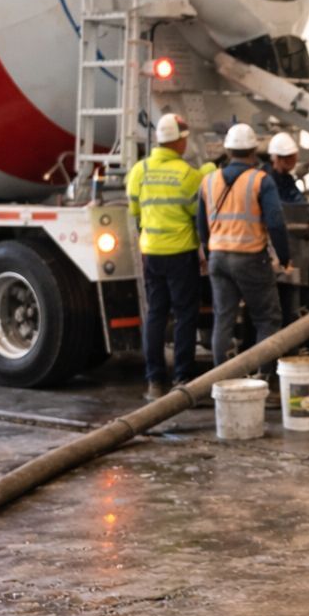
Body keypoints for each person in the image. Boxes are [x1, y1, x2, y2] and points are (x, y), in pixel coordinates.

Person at [198, 121, 291, 363]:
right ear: (253, 152)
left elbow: (201, 225)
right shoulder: (261, 180)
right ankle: (263, 378)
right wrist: (284, 257)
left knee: (223, 319)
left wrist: (210, 255)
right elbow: (276, 223)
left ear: (227, 151)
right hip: (250, 257)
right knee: (267, 319)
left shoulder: (208, 180)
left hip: (218, 257)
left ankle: (222, 381)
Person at [126, 112, 203, 400]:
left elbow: (134, 211)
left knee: (156, 314)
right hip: (181, 254)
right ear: (180, 142)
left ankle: (155, 382)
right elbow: (197, 215)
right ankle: (182, 378)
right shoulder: (187, 175)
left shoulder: (140, 171)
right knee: (184, 315)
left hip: (151, 253)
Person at [264, 131, 307, 205]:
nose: (294, 161)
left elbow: (298, 199)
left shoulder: (286, 178)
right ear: (277, 158)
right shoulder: (267, 179)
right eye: (290, 157)